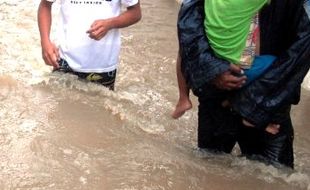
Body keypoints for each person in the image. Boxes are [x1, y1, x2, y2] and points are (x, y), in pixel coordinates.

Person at [177, 0, 310, 168]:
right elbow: (188, 20)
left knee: (277, 176)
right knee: (209, 167)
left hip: (270, 98)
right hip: (220, 90)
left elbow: (302, 49)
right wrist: (213, 68)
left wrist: (254, 103)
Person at [172, 0, 280, 134]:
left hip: (206, 63)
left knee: (183, 49)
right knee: (278, 64)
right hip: (236, 73)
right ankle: (249, 112)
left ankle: (183, 98)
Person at [37, 0, 141, 90]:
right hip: (64, 60)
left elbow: (135, 13)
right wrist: (45, 42)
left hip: (103, 65)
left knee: (101, 110)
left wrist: (110, 24)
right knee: (59, 109)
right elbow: (45, 5)